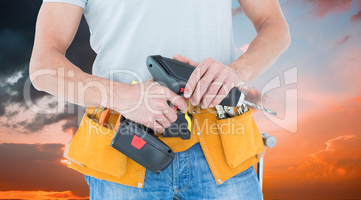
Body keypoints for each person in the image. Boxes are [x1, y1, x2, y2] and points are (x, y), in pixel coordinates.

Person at [30, 0, 290, 199]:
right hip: (126, 148)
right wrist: (128, 98)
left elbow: (273, 24)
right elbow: (43, 66)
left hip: (223, 146)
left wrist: (237, 72)